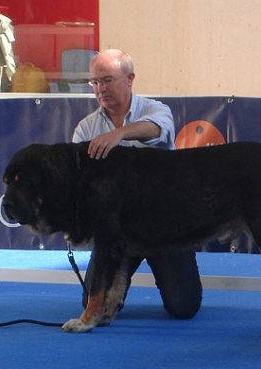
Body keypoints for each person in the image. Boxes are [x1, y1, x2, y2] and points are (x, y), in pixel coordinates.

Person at [72, 48, 203, 320]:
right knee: (91, 303)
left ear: (130, 79)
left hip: (165, 225)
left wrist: (118, 135)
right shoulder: (85, 129)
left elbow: (156, 128)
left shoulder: (156, 110)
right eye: (95, 82)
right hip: (116, 229)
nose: (100, 88)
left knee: (184, 307)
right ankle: (115, 287)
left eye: (107, 80)